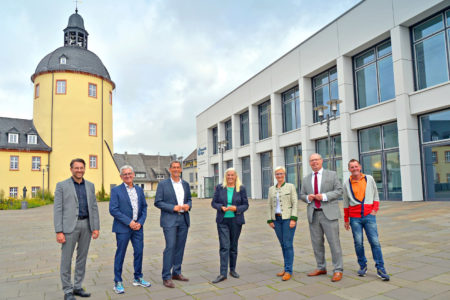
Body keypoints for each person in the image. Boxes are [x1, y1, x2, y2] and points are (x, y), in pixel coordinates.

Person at [53, 158, 100, 300]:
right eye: (76, 168)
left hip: (86, 225)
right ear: (71, 169)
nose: (79, 170)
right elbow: (58, 209)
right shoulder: (62, 185)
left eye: (81, 168)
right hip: (69, 228)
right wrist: (59, 231)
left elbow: (94, 207)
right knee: (66, 259)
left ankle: (78, 287)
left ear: (84, 169)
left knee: (82, 258)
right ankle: (67, 290)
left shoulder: (90, 186)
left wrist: (96, 227)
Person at [343, 159, 390, 281]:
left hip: (369, 216)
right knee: (358, 243)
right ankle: (363, 266)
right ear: (349, 169)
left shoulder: (369, 179)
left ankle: (380, 268)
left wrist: (375, 209)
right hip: (355, 218)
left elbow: (375, 195)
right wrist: (346, 220)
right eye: (352, 167)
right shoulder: (346, 183)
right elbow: (346, 203)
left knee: (375, 242)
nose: (354, 169)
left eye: (356, 166)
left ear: (360, 167)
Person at [300, 153, 344, 282]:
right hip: (313, 214)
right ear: (309, 163)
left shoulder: (332, 175)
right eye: (312, 160)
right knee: (317, 244)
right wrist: (307, 198)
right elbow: (302, 194)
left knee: (334, 243)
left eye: (316, 160)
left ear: (321, 161)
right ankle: (321, 267)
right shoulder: (306, 179)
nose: (314, 162)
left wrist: (324, 196)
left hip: (329, 214)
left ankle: (338, 269)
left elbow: (339, 190)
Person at [109, 165, 151, 294]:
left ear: (133, 175)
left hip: (138, 228)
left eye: (129, 174)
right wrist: (129, 222)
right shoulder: (116, 190)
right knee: (120, 254)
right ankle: (118, 281)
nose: (127, 176)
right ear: (121, 177)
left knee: (139, 252)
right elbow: (113, 210)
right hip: (123, 228)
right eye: (124, 174)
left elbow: (144, 207)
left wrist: (140, 222)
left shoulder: (139, 190)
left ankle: (138, 277)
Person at [154, 160, 192, 288]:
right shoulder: (163, 184)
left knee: (180, 247)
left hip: (183, 219)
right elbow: (158, 202)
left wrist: (188, 205)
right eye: (173, 167)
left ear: (181, 169)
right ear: (170, 170)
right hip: (170, 219)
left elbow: (189, 199)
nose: (176, 169)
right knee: (170, 246)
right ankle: (166, 276)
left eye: (178, 167)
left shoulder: (185, 184)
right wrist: (173, 207)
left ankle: (176, 272)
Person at [211, 168, 249, 283]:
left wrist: (236, 208)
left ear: (236, 176)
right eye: (228, 175)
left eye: (232, 175)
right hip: (223, 221)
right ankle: (223, 273)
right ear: (225, 176)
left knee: (233, 246)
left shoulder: (241, 188)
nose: (230, 177)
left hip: (236, 221)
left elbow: (246, 205)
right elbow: (213, 202)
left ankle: (232, 269)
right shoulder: (220, 187)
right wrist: (220, 207)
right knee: (224, 246)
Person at [267, 166, 298, 281]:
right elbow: (269, 205)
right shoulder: (271, 189)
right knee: (282, 245)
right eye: (277, 174)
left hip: (288, 219)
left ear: (284, 174)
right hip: (276, 220)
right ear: (275, 176)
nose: (279, 176)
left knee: (288, 244)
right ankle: (285, 268)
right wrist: (270, 220)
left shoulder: (290, 187)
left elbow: (295, 203)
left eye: (281, 174)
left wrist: (293, 218)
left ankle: (289, 270)